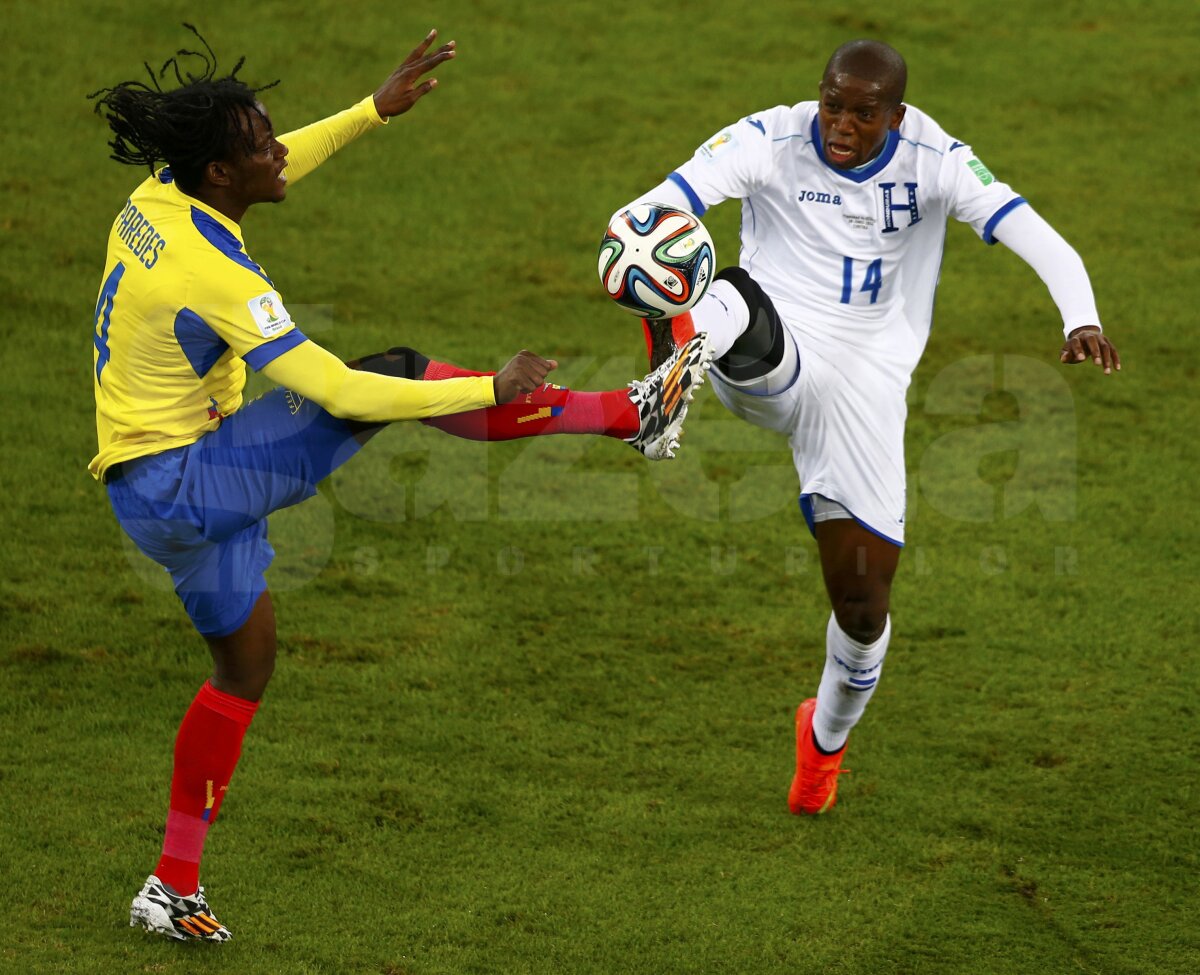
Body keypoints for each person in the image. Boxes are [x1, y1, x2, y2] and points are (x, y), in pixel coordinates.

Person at [88, 26, 710, 942]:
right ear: (220, 174)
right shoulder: (211, 269)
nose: (279, 150)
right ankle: (631, 413)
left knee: (245, 665)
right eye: (262, 145)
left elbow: (281, 154)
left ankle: (171, 884)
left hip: (151, 490)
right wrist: (486, 387)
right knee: (397, 371)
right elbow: (339, 388)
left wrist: (372, 111)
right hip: (186, 481)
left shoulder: (157, 195)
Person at [617, 39, 1120, 817]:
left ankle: (822, 744)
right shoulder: (769, 138)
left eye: (863, 112)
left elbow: (1039, 236)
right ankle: (672, 373)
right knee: (734, 293)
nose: (842, 123)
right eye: (832, 103)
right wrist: (641, 235)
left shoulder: (938, 158)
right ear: (817, 93)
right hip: (769, 349)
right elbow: (664, 206)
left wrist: (1080, 316)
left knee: (862, 607)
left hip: (867, 387)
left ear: (897, 113)